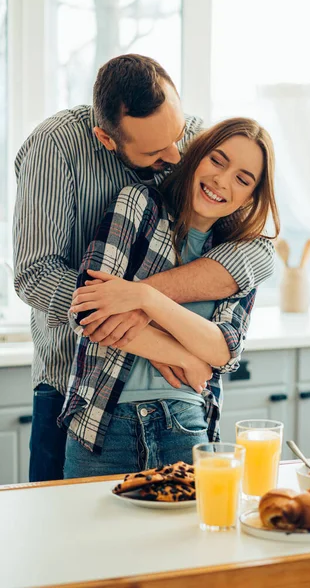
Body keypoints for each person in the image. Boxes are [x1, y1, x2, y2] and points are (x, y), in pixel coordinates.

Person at [13, 54, 275, 483]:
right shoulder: (56, 147)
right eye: (156, 151)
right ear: (107, 138)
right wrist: (168, 348)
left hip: (183, 404)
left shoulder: (198, 142)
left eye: (179, 136)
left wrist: (141, 296)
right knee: (66, 539)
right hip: (78, 387)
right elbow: (36, 274)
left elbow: (255, 252)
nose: (176, 155)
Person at [60, 117, 279, 478]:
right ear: (197, 156)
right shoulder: (139, 206)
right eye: (217, 160)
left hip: (186, 425)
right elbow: (88, 313)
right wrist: (184, 356)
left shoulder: (240, 254)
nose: (221, 181)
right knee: (93, 535)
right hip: (102, 421)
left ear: (251, 196)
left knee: (191, 534)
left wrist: (146, 297)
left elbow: (224, 349)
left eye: (242, 179)